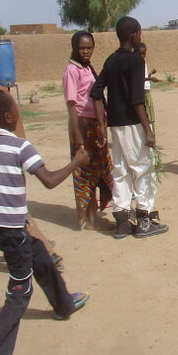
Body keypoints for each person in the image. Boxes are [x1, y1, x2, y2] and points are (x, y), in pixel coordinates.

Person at [0, 90, 91, 355]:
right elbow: (49, 180)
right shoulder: (19, 146)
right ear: (9, 117)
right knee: (20, 291)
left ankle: (63, 303)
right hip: (11, 229)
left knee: (39, 253)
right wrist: (76, 162)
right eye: (16, 109)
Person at [90, 16, 168, 239]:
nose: (140, 37)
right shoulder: (136, 61)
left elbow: (96, 93)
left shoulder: (111, 60)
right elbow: (136, 99)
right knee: (143, 169)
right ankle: (144, 221)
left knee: (121, 171)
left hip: (116, 126)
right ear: (134, 36)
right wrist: (148, 129)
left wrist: (102, 123)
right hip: (134, 124)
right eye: (140, 33)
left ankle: (122, 223)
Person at [0, 54, 63, 271]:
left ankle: (45, 253)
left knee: (18, 215)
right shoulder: (2, 93)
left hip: (0, 166)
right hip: (14, 161)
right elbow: (19, 132)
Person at [62, 31, 115, 230]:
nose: (85, 51)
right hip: (82, 126)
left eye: (89, 48)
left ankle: (94, 214)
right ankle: (90, 219)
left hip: (94, 125)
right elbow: (71, 105)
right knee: (86, 170)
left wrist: (101, 124)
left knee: (101, 167)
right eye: (82, 48)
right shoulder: (71, 70)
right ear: (75, 48)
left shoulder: (87, 68)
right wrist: (78, 135)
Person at [133, 42, 159, 133]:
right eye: (139, 54)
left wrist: (150, 74)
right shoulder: (135, 64)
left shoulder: (143, 63)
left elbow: (143, 76)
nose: (142, 56)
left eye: (144, 54)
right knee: (147, 114)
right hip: (142, 91)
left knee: (151, 114)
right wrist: (150, 79)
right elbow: (137, 79)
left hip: (146, 90)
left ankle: (152, 134)